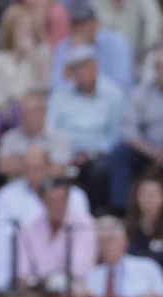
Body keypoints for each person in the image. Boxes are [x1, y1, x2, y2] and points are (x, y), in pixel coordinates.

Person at [106, 44, 163, 214]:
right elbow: (127, 129)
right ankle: (122, 210)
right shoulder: (141, 93)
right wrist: (152, 151)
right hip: (148, 151)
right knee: (119, 153)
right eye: (160, 67)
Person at [48, 46, 125, 210]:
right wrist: (66, 154)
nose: (80, 73)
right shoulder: (61, 94)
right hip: (64, 154)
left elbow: (115, 135)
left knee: (100, 170)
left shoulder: (113, 94)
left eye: (84, 67)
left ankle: (96, 213)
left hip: (97, 154)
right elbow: (51, 127)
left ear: (94, 66)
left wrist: (90, 154)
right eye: (75, 68)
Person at [14, 176, 95, 291]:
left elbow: (79, 270)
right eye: (51, 200)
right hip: (36, 292)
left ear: (67, 200)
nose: (56, 206)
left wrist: (47, 279)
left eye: (60, 200)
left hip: (73, 293)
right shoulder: (29, 228)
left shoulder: (83, 225)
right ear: (42, 201)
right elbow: (22, 274)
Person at [0, 5, 52, 125]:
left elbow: (44, 87)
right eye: (22, 30)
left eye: (30, 31)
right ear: (11, 32)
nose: (26, 35)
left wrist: (33, 58)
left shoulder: (42, 53)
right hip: (6, 111)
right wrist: (3, 108)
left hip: (34, 109)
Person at [0, 143, 88, 224]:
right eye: (27, 169)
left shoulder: (75, 196)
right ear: (22, 170)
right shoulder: (5, 195)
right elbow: (0, 232)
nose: (32, 175)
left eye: (37, 169)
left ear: (48, 167)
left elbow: (80, 231)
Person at [85, 215, 163, 297]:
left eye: (111, 239)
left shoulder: (148, 267)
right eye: (101, 241)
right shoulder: (91, 275)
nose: (106, 245)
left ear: (125, 242)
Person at [51, 6, 134, 92]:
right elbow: (56, 88)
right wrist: (75, 54)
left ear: (96, 23)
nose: (79, 29)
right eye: (74, 24)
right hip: (73, 102)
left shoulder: (116, 42)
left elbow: (123, 85)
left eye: (83, 23)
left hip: (109, 101)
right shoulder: (63, 47)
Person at [0, 91, 69, 178]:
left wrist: (20, 160)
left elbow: (58, 170)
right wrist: (44, 162)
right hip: (15, 187)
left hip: (48, 188)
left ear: (44, 112)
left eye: (34, 112)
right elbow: (4, 167)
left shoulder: (59, 138)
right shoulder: (9, 138)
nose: (29, 117)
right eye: (25, 113)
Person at [95, 0, 162, 61]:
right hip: (102, 59)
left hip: (138, 59)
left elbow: (154, 23)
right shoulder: (96, 2)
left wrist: (148, 46)